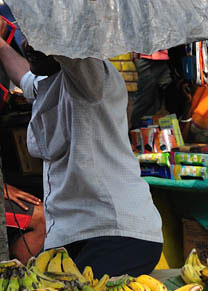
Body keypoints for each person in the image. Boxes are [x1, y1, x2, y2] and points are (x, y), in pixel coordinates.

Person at [0, 33, 162, 276]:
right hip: (71, 235)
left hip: (114, 234)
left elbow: (67, 36)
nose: (27, 44)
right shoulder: (52, 79)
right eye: (26, 35)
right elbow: (24, 77)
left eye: (38, 36)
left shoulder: (91, 72)